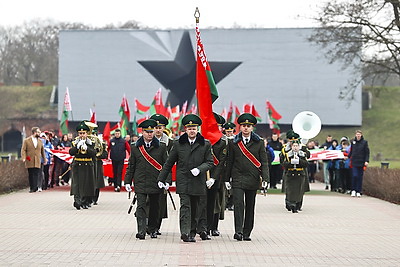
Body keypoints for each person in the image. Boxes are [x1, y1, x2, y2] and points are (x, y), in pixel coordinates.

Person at [157, 114, 213, 243]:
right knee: (185, 207)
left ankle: (192, 232)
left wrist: (199, 169)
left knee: (195, 208)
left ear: (197, 129)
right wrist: (161, 178)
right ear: (185, 130)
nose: (192, 131)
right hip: (184, 181)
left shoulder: (205, 144)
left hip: (198, 181)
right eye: (189, 128)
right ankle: (185, 232)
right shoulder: (178, 144)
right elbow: (169, 163)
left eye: (194, 128)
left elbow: (210, 162)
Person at [225, 113, 269, 241]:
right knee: (238, 204)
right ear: (240, 127)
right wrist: (226, 179)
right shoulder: (234, 143)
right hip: (238, 177)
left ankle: (247, 231)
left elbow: (264, 162)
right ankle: (238, 231)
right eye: (243, 125)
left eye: (248, 126)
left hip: (253, 178)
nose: (245, 128)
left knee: (250, 206)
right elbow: (230, 161)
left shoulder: (259, 142)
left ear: (252, 128)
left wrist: (265, 179)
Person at [125, 119, 168, 240]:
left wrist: (166, 181)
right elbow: (131, 165)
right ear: (142, 132)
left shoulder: (162, 147)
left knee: (155, 207)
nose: (150, 134)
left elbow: (166, 165)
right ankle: (141, 230)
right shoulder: (135, 147)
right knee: (141, 206)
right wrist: (127, 181)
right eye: (147, 131)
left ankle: (153, 229)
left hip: (156, 181)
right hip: (141, 181)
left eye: (151, 131)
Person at [150, 113, 173, 236]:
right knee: (148, 202)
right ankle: (148, 225)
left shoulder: (170, 142)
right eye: (156, 127)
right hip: (148, 176)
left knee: (160, 203)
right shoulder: (146, 141)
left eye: (160, 127)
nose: (158, 130)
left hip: (162, 176)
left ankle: (156, 226)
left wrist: (168, 180)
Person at [69, 121, 96, 210]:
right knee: (77, 183)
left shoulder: (91, 142)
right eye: (80, 133)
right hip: (78, 164)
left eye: (83, 133)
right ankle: (77, 200)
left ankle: (85, 201)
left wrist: (87, 148)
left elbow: (94, 153)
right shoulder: (75, 142)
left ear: (87, 133)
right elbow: (71, 152)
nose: (82, 135)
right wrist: (77, 147)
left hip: (87, 164)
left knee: (86, 184)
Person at [280, 130, 309, 213]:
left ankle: (298, 204)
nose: (292, 141)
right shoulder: (285, 148)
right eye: (291, 140)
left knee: (300, 188)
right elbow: (282, 159)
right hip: (289, 170)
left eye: (294, 140)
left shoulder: (302, 147)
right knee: (289, 188)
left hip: (301, 170)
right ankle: (289, 203)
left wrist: (302, 154)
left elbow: (308, 156)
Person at [21, 127, 47, 193]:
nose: (39, 133)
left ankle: (35, 187)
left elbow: (42, 151)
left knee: (36, 173)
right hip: (29, 159)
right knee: (31, 173)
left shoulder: (40, 141)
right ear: (34, 132)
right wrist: (24, 157)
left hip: (37, 160)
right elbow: (23, 149)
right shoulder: (27, 140)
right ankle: (32, 187)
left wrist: (44, 159)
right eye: (38, 132)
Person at [348, 130, 369, 197]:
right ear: (355, 135)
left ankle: (358, 191)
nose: (358, 135)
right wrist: (348, 157)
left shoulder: (364, 142)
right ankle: (353, 190)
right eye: (357, 134)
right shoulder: (353, 142)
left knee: (360, 177)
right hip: (354, 161)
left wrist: (366, 161)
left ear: (361, 135)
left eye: (359, 134)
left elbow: (367, 152)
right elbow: (351, 151)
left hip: (361, 162)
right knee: (354, 175)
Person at [223, 122, 236, 211]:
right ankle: (225, 202)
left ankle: (231, 203)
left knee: (232, 185)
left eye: (230, 131)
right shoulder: (223, 140)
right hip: (223, 165)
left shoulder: (236, 140)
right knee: (224, 185)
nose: (229, 133)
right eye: (227, 131)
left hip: (233, 165)